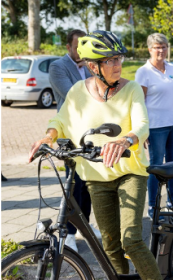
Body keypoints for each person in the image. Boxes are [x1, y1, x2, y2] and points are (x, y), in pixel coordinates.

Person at [28, 30, 162, 279]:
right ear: (93, 66)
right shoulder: (78, 91)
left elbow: (142, 125)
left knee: (130, 240)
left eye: (118, 59)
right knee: (110, 245)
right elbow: (60, 119)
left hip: (129, 173)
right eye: (110, 60)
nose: (117, 65)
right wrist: (48, 137)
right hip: (96, 177)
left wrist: (125, 140)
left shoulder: (131, 88)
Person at [48, 29, 99, 252]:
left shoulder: (89, 65)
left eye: (84, 45)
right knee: (73, 185)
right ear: (68, 47)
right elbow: (72, 96)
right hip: (70, 133)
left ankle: (84, 225)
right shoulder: (58, 66)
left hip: (90, 132)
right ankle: (67, 232)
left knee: (88, 183)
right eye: (77, 46)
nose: (81, 50)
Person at [135, 33, 173, 219]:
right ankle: (153, 205)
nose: (161, 50)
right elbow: (139, 102)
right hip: (156, 127)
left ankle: (172, 202)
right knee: (156, 166)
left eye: (164, 47)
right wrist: (141, 130)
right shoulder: (143, 72)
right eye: (157, 47)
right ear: (150, 49)